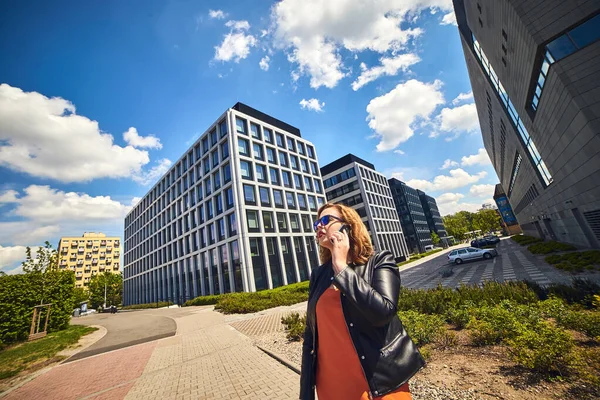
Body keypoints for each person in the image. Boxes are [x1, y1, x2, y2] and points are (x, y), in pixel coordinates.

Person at [300, 203, 425, 400]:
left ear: (347, 226)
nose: (318, 226)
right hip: (331, 387)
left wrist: (341, 268)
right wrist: (305, 393)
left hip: (377, 384)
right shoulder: (318, 275)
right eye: (317, 223)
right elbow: (310, 337)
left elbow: (383, 313)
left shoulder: (379, 261)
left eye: (325, 220)